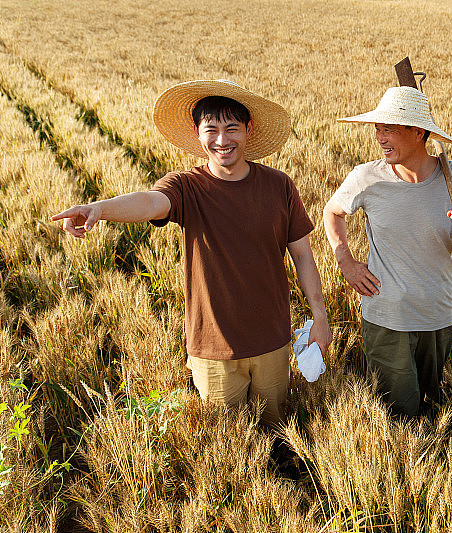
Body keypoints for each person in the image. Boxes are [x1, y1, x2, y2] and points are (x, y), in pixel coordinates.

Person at [52, 79, 332, 427]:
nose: (222, 140)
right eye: (211, 129)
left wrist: (319, 315)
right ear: (198, 134)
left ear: (248, 129)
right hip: (213, 349)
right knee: (228, 448)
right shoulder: (186, 187)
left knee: (275, 433)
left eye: (231, 128)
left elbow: (303, 255)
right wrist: (100, 208)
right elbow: (149, 202)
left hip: (272, 342)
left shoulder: (279, 185)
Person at [323, 86, 452, 416]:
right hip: (388, 316)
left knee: (439, 406)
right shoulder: (366, 177)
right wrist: (346, 261)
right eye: (377, 130)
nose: (380, 139)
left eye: (389, 130)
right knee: (399, 413)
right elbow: (332, 212)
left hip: (439, 313)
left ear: (417, 132)